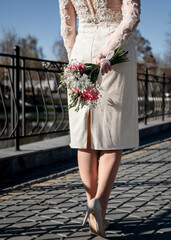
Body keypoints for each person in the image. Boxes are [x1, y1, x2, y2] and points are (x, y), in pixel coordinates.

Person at [59, 0, 141, 238]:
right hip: (113, 52)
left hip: (81, 50)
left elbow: (67, 24)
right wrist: (108, 51)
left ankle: (92, 207)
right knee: (111, 134)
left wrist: (73, 57)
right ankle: (99, 206)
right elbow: (131, 17)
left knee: (85, 135)